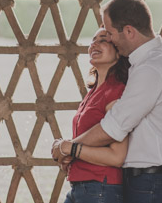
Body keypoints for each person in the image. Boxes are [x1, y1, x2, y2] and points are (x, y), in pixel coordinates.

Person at [53, 0, 162, 203]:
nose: (111, 40)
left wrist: (69, 149)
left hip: (153, 181)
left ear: (128, 31)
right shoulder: (145, 63)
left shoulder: (151, 68)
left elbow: (114, 127)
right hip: (149, 179)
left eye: (109, 34)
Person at [53, 28, 131, 203]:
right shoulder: (94, 91)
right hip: (82, 187)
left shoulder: (116, 92)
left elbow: (117, 156)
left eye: (103, 40)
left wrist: (70, 149)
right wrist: (67, 149)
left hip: (101, 188)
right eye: (93, 40)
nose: (94, 43)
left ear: (118, 52)